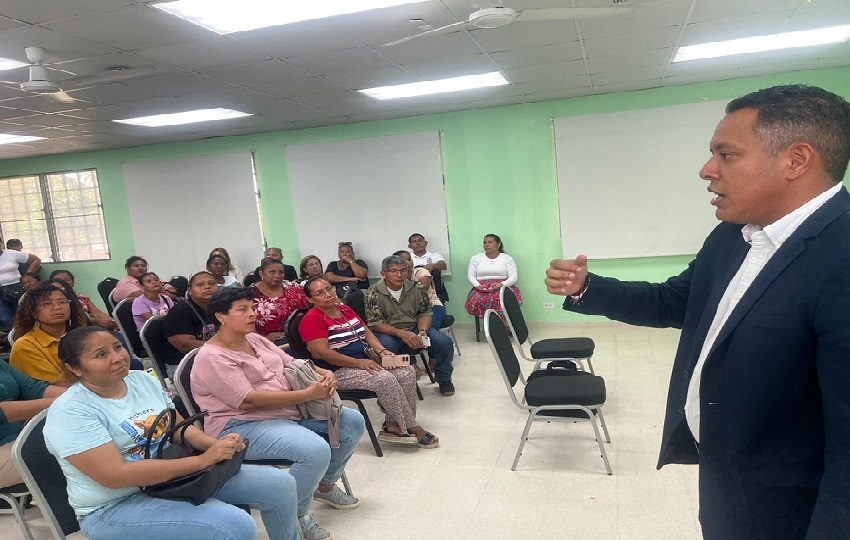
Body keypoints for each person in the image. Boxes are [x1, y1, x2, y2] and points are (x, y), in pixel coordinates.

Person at [545, 85, 850, 540]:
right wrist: (588, 287)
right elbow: (678, 302)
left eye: (726, 155)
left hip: (790, 509)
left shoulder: (840, 254)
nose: (707, 171)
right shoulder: (733, 235)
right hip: (727, 481)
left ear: (796, 160)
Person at [43, 326, 300, 540]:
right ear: (75, 368)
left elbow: (177, 427)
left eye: (117, 347)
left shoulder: (140, 379)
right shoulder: (71, 412)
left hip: (171, 478)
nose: (117, 357)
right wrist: (202, 460)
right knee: (233, 526)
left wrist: (213, 444)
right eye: (101, 355)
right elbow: (115, 476)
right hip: (116, 504)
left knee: (281, 484)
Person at [191, 287, 366, 540]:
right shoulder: (213, 356)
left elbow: (289, 362)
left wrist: (321, 372)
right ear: (221, 316)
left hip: (287, 412)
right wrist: (307, 395)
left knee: (351, 422)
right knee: (314, 450)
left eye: (252, 308)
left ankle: (325, 485)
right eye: (242, 310)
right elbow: (248, 402)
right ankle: (296, 513)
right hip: (242, 425)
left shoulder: (253, 338)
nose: (252, 314)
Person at [300, 276, 439, 448]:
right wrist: (359, 364)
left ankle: (393, 425)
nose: (327, 294)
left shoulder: (343, 308)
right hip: (337, 371)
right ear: (310, 299)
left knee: (407, 371)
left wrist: (382, 351)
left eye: (329, 289)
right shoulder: (311, 319)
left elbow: (366, 332)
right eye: (320, 293)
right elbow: (321, 353)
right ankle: (412, 426)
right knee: (384, 378)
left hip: (365, 360)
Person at [365, 255, 455, 396]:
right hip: (388, 331)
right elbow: (376, 324)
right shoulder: (373, 292)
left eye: (403, 270)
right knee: (386, 347)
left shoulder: (417, 288)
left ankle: (444, 379)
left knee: (444, 343)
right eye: (393, 271)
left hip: (415, 328)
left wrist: (423, 331)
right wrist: (402, 334)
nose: (399, 275)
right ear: (383, 274)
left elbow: (425, 313)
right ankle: (395, 384)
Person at [0, 361, 64, 490]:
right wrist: (66, 401)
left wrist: (87, 393)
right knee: (72, 450)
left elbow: (34, 388)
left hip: (23, 437)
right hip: (9, 446)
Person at [10, 280, 88, 385]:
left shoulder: (83, 336)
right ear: (33, 312)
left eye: (62, 302)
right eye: (46, 303)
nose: (57, 307)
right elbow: (61, 386)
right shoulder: (25, 346)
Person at [162, 271, 219, 379]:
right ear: (190, 290)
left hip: (214, 357)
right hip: (182, 365)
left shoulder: (218, 308)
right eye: (200, 284)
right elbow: (185, 346)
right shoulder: (179, 311)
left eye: (211, 283)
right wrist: (222, 346)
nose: (207, 287)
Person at [251, 258, 310, 345]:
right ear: (261, 273)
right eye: (272, 272)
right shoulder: (250, 295)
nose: (277, 275)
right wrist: (263, 339)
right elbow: (244, 323)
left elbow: (310, 308)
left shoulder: (294, 288)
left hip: (302, 336)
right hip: (270, 343)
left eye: (281, 272)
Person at [465, 234, 521, 320]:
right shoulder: (476, 258)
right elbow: (471, 276)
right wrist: (477, 286)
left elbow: (513, 277)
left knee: (503, 299)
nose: (486, 245)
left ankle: (503, 324)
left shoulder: (507, 259)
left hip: (502, 287)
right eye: (484, 242)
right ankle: (491, 325)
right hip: (481, 288)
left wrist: (502, 284)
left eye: (490, 242)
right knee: (480, 300)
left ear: (498, 244)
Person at [49, 269, 117, 330]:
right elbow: (75, 320)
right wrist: (97, 322)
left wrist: (114, 322)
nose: (64, 283)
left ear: (73, 282)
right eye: (59, 281)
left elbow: (98, 313)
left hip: (95, 327)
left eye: (68, 280)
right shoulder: (51, 302)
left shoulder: (81, 297)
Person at [396, 250, 446, 331]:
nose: (409, 263)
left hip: (432, 306)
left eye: (409, 259)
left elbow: (421, 291)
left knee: (430, 329)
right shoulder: (392, 276)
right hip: (407, 311)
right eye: (403, 261)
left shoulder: (421, 272)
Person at [0, 238, 41, 331]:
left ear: (1, 243)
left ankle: (28, 338)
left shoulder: (11, 253)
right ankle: (10, 341)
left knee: (23, 314)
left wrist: (27, 275)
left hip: (15, 287)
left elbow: (36, 259)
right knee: (4, 319)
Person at [112, 256, 177, 303]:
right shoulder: (125, 283)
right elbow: (148, 297)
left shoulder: (150, 277)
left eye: (143, 266)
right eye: (136, 266)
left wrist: (168, 293)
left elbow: (172, 290)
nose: (140, 268)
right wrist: (166, 294)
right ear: (128, 269)